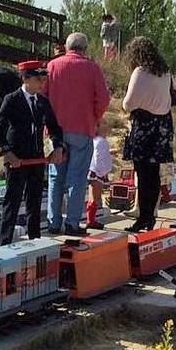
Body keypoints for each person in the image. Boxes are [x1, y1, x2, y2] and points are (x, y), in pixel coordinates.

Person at [0, 60, 66, 244]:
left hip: (36, 160)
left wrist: (57, 147)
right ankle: (5, 241)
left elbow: (55, 128)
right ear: (25, 79)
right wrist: (7, 153)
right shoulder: (12, 100)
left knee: (34, 201)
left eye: (44, 79)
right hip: (17, 159)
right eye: (38, 79)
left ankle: (35, 240)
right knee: (13, 200)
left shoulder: (42, 102)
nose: (42, 83)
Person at [45, 33, 111, 234]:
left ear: (66, 47)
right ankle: (72, 223)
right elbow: (103, 99)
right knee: (77, 177)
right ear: (85, 48)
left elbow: (43, 95)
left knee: (55, 177)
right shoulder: (92, 68)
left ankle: (53, 222)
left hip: (56, 129)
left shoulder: (52, 66)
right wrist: (94, 117)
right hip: (82, 128)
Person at [119, 37, 176, 232]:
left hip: (144, 125)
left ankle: (143, 217)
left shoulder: (141, 71)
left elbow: (128, 103)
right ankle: (150, 215)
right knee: (153, 175)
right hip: (162, 126)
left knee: (143, 174)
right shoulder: (164, 71)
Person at [86, 115, 114, 230]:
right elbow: (98, 159)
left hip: (95, 171)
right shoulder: (100, 142)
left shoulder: (96, 141)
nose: (107, 126)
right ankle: (91, 220)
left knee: (94, 196)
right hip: (97, 173)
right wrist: (102, 172)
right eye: (104, 124)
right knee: (95, 197)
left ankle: (91, 219)